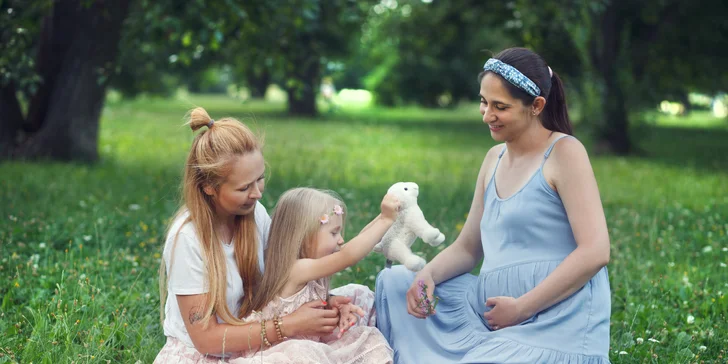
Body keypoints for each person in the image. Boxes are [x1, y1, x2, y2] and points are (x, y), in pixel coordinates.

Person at [374, 47, 612, 363]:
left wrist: (522, 307)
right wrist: (427, 277)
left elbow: (595, 251)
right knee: (396, 281)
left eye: (500, 106)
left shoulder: (564, 153)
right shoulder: (493, 159)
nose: (487, 115)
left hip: (553, 320)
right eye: (484, 102)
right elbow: (469, 248)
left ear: (536, 106)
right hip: (486, 313)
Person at [154, 108, 371, 363]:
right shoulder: (188, 240)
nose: (257, 193)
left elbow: (279, 280)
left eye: (260, 179)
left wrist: (326, 304)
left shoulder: (254, 214)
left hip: (257, 331)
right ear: (209, 187)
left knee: (360, 299)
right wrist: (289, 325)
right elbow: (207, 340)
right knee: (302, 354)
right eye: (244, 187)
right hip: (208, 354)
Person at [230, 188, 398, 363]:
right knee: (303, 351)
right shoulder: (296, 268)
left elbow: (358, 241)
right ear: (304, 236)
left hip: (309, 341)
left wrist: (384, 216)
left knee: (362, 316)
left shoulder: (312, 265)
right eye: (334, 233)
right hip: (280, 351)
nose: (341, 240)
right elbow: (347, 255)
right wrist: (386, 220)